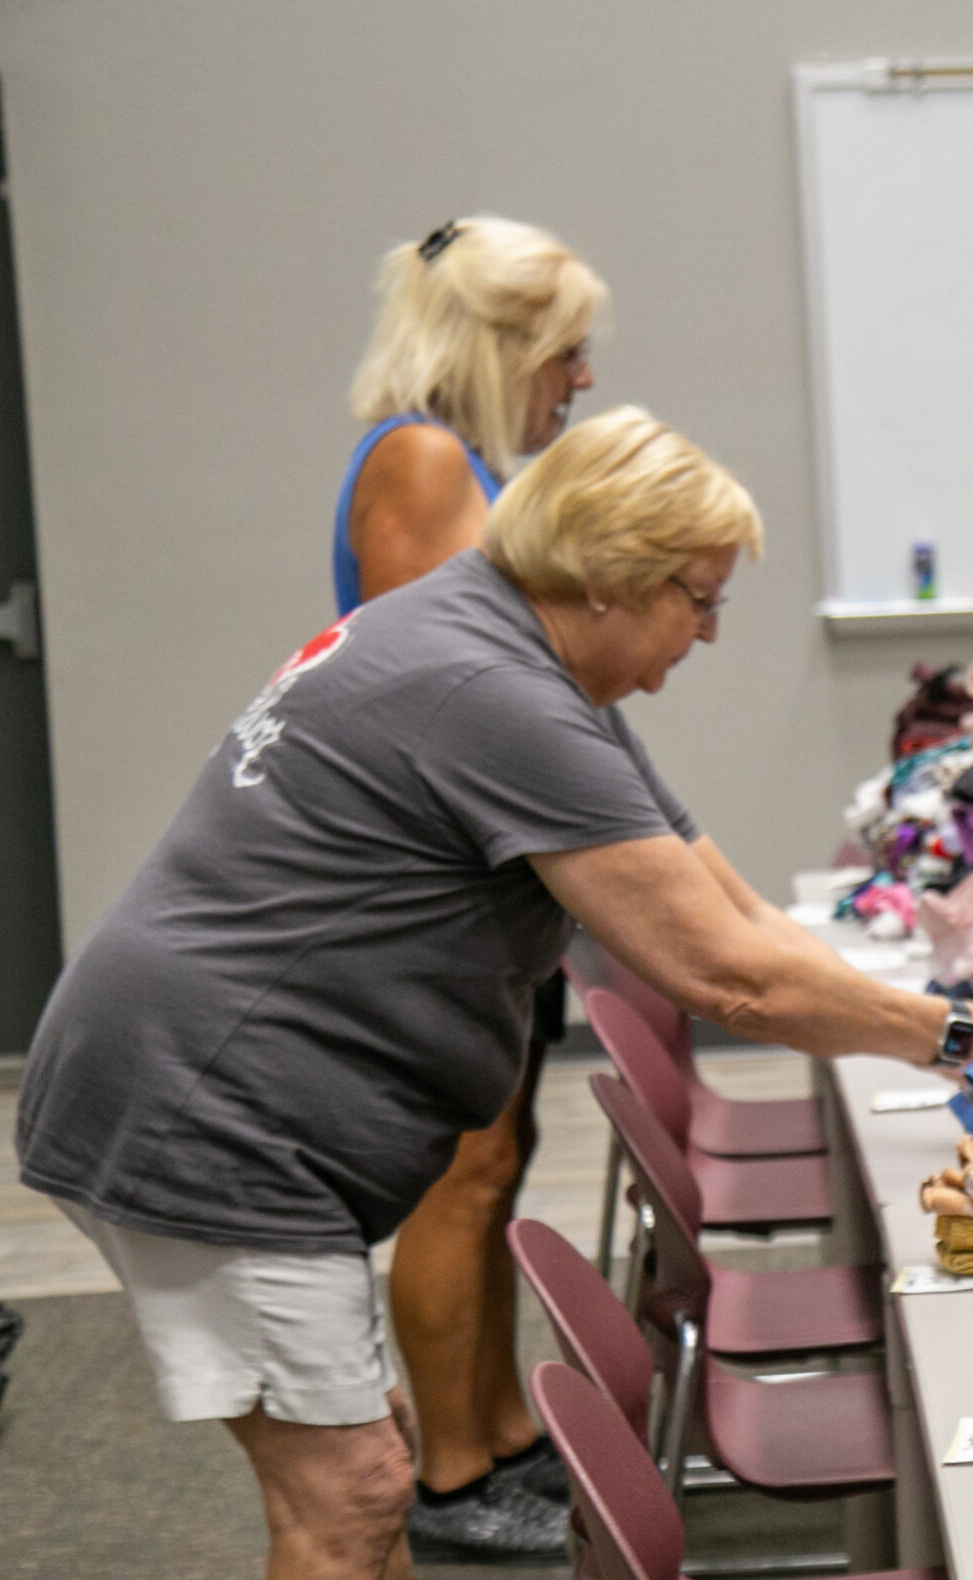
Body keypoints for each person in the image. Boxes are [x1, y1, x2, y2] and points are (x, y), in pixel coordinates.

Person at [15, 409, 973, 1580]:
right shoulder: (488, 688)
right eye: (697, 598)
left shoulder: (508, 645)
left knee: (361, 1474)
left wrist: (933, 1016)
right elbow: (727, 977)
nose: (708, 631)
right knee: (349, 1488)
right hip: (207, 1106)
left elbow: (729, 907)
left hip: (205, 1077)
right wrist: (958, 1034)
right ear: (606, 579)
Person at [334, 214, 606, 1560]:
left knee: (502, 1163)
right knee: (463, 1170)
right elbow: (448, 702)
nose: (583, 379)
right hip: (437, 897)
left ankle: (498, 1429)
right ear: (502, 346)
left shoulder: (458, 462)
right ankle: (452, 1473)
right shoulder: (425, 460)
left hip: (481, 895)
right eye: (567, 352)